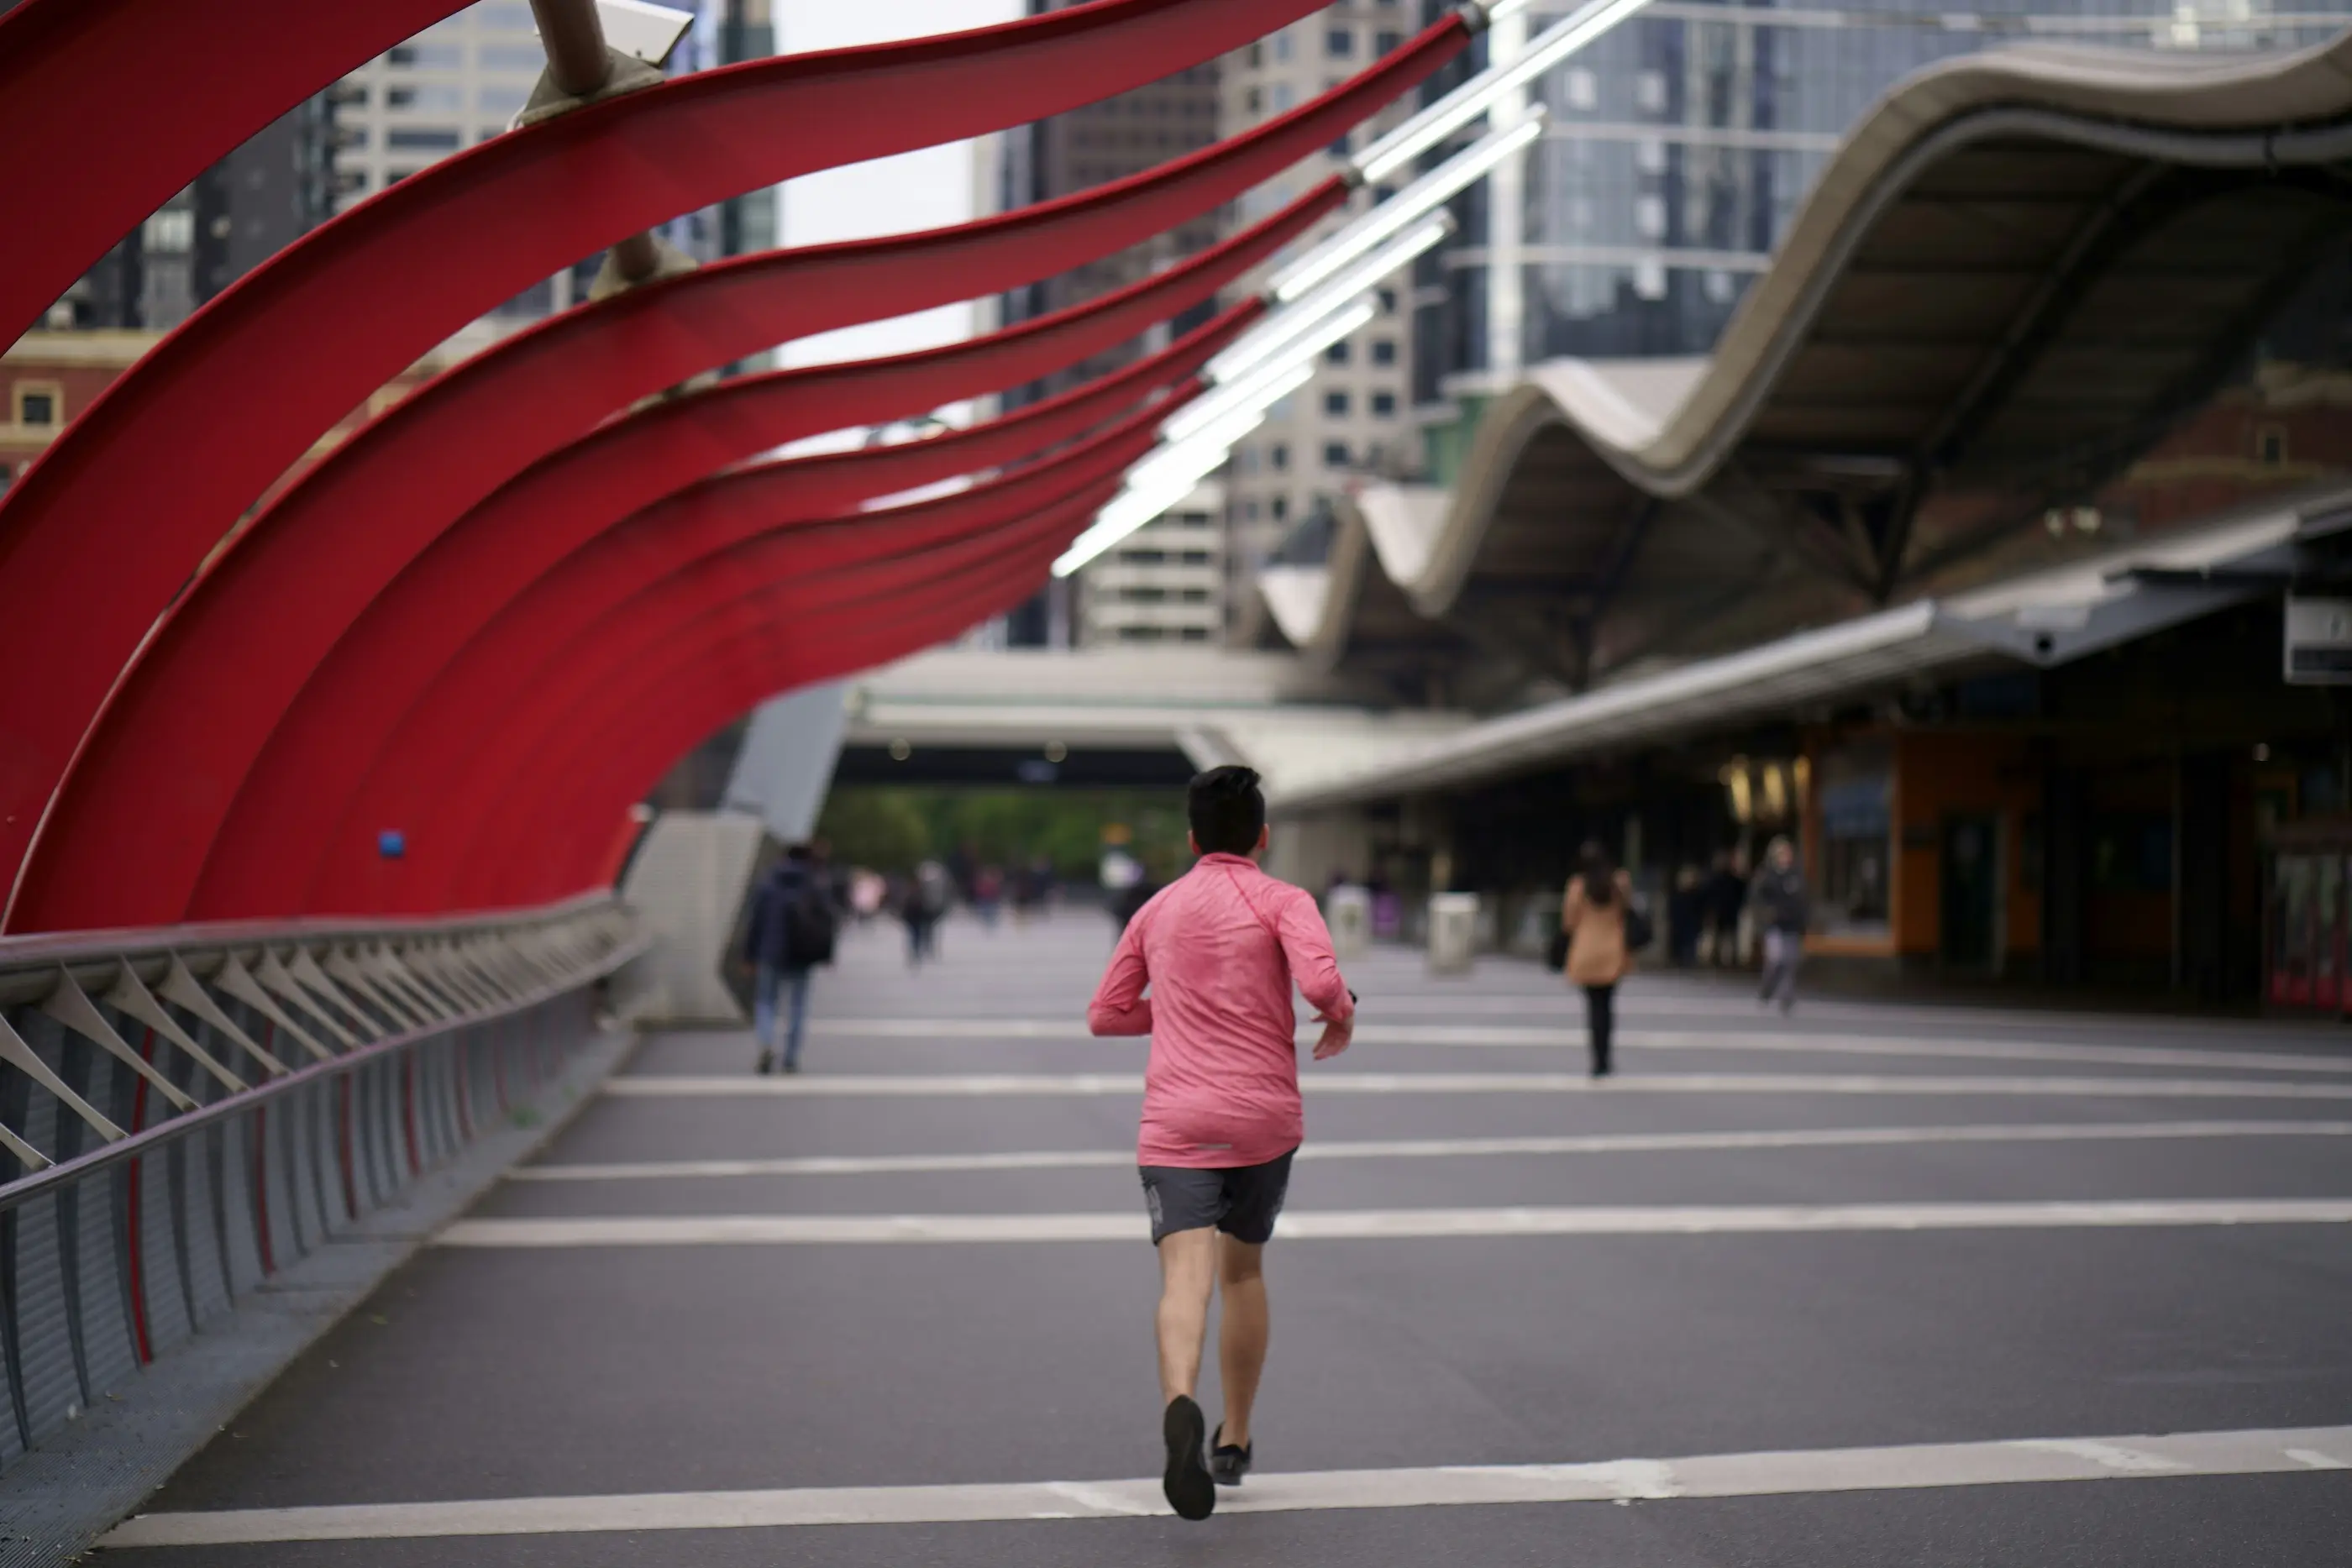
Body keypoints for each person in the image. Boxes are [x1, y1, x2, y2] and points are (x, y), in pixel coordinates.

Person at [1086, 766, 1356, 1522]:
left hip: (1176, 1122)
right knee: (1243, 1273)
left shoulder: (1157, 907)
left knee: (1184, 1280)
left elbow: (1106, 1014)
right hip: (1263, 1120)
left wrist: (1173, 1010)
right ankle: (1233, 1438)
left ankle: (1181, 1403)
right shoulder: (1282, 899)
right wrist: (1341, 1012)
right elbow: (1321, 983)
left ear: (1193, 837)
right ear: (1263, 837)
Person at [741, 844, 837, 1074]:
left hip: (770, 951)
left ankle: (766, 1042)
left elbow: (756, 922)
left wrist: (749, 954)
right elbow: (827, 921)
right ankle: (791, 1057)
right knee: (797, 1006)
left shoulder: (769, 883)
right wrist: (827, 954)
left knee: (766, 1002)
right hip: (802, 953)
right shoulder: (814, 884)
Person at [1561, 841, 1634, 1077]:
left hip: (1586, 950)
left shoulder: (1577, 886)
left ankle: (1597, 1059)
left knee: (1593, 1007)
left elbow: (1569, 922)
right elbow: (1627, 910)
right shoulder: (1619, 882)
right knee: (1607, 1005)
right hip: (1612, 949)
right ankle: (1606, 1055)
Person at [1751, 835, 1809, 1013]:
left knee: (1790, 962)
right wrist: (1766, 915)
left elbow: (1803, 901)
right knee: (1776, 960)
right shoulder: (1767, 876)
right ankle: (1766, 991)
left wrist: (1803, 922)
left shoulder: (1796, 876)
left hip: (1792, 925)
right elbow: (1757, 899)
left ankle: (1787, 998)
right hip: (1774, 925)